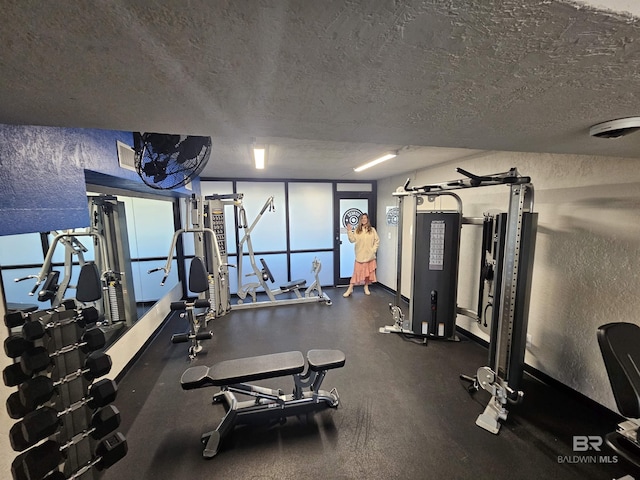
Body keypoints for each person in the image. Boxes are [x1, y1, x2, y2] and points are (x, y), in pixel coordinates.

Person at [343, 213, 380, 297]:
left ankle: (366, 287)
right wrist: (349, 231)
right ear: (360, 220)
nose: (364, 220)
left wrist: (373, 250)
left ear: (368, 220)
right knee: (356, 272)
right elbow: (352, 240)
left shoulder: (372, 230)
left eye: (365, 218)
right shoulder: (357, 230)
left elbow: (377, 241)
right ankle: (350, 288)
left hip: (370, 256)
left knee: (368, 273)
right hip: (360, 256)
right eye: (362, 218)